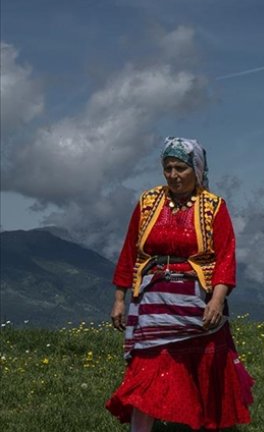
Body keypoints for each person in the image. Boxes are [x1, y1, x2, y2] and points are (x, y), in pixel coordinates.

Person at [106, 137, 254, 431]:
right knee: (148, 368)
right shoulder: (148, 203)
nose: (173, 175)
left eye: (180, 168)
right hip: (153, 301)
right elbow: (129, 252)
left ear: (196, 170)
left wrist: (216, 299)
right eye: (168, 168)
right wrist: (120, 298)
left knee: (203, 368)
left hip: (196, 300)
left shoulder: (213, 207)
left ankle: (205, 423)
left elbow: (225, 256)